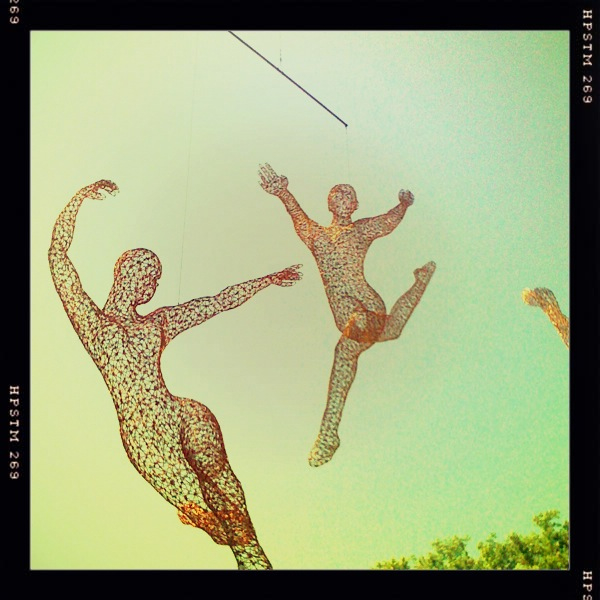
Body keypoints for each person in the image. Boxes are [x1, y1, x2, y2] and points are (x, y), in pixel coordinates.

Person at [48, 179, 302, 570]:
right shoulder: (93, 326)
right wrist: (79, 199)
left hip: (180, 413)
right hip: (144, 434)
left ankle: (253, 561)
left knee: (225, 493)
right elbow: (58, 257)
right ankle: (214, 526)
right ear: (124, 271)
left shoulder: (159, 323)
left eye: (156, 278)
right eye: (148, 273)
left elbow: (216, 302)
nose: (153, 283)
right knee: (219, 525)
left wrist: (267, 280)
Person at [259, 163, 436, 467]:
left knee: (346, 351)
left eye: (349, 196)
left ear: (355, 205)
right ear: (330, 203)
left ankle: (329, 432)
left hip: (367, 307)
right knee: (391, 331)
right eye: (338, 195)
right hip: (350, 316)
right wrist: (282, 192)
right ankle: (421, 280)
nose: (344, 198)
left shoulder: (360, 230)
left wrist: (403, 205)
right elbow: (297, 215)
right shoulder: (316, 236)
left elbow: (386, 222)